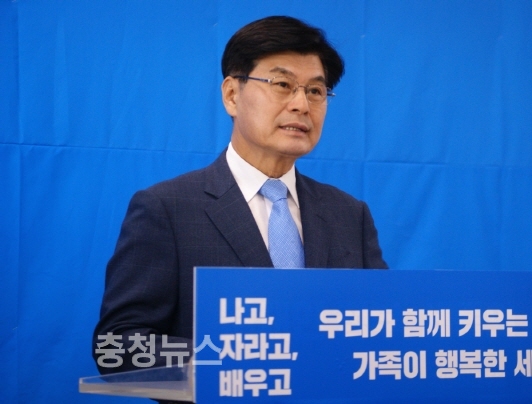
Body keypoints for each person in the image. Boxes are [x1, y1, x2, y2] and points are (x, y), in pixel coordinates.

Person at [93, 15, 387, 375]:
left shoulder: (349, 215)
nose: (301, 105)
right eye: (283, 84)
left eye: (315, 91)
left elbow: (382, 329)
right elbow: (116, 346)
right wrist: (234, 356)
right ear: (232, 95)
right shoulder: (167, 209)